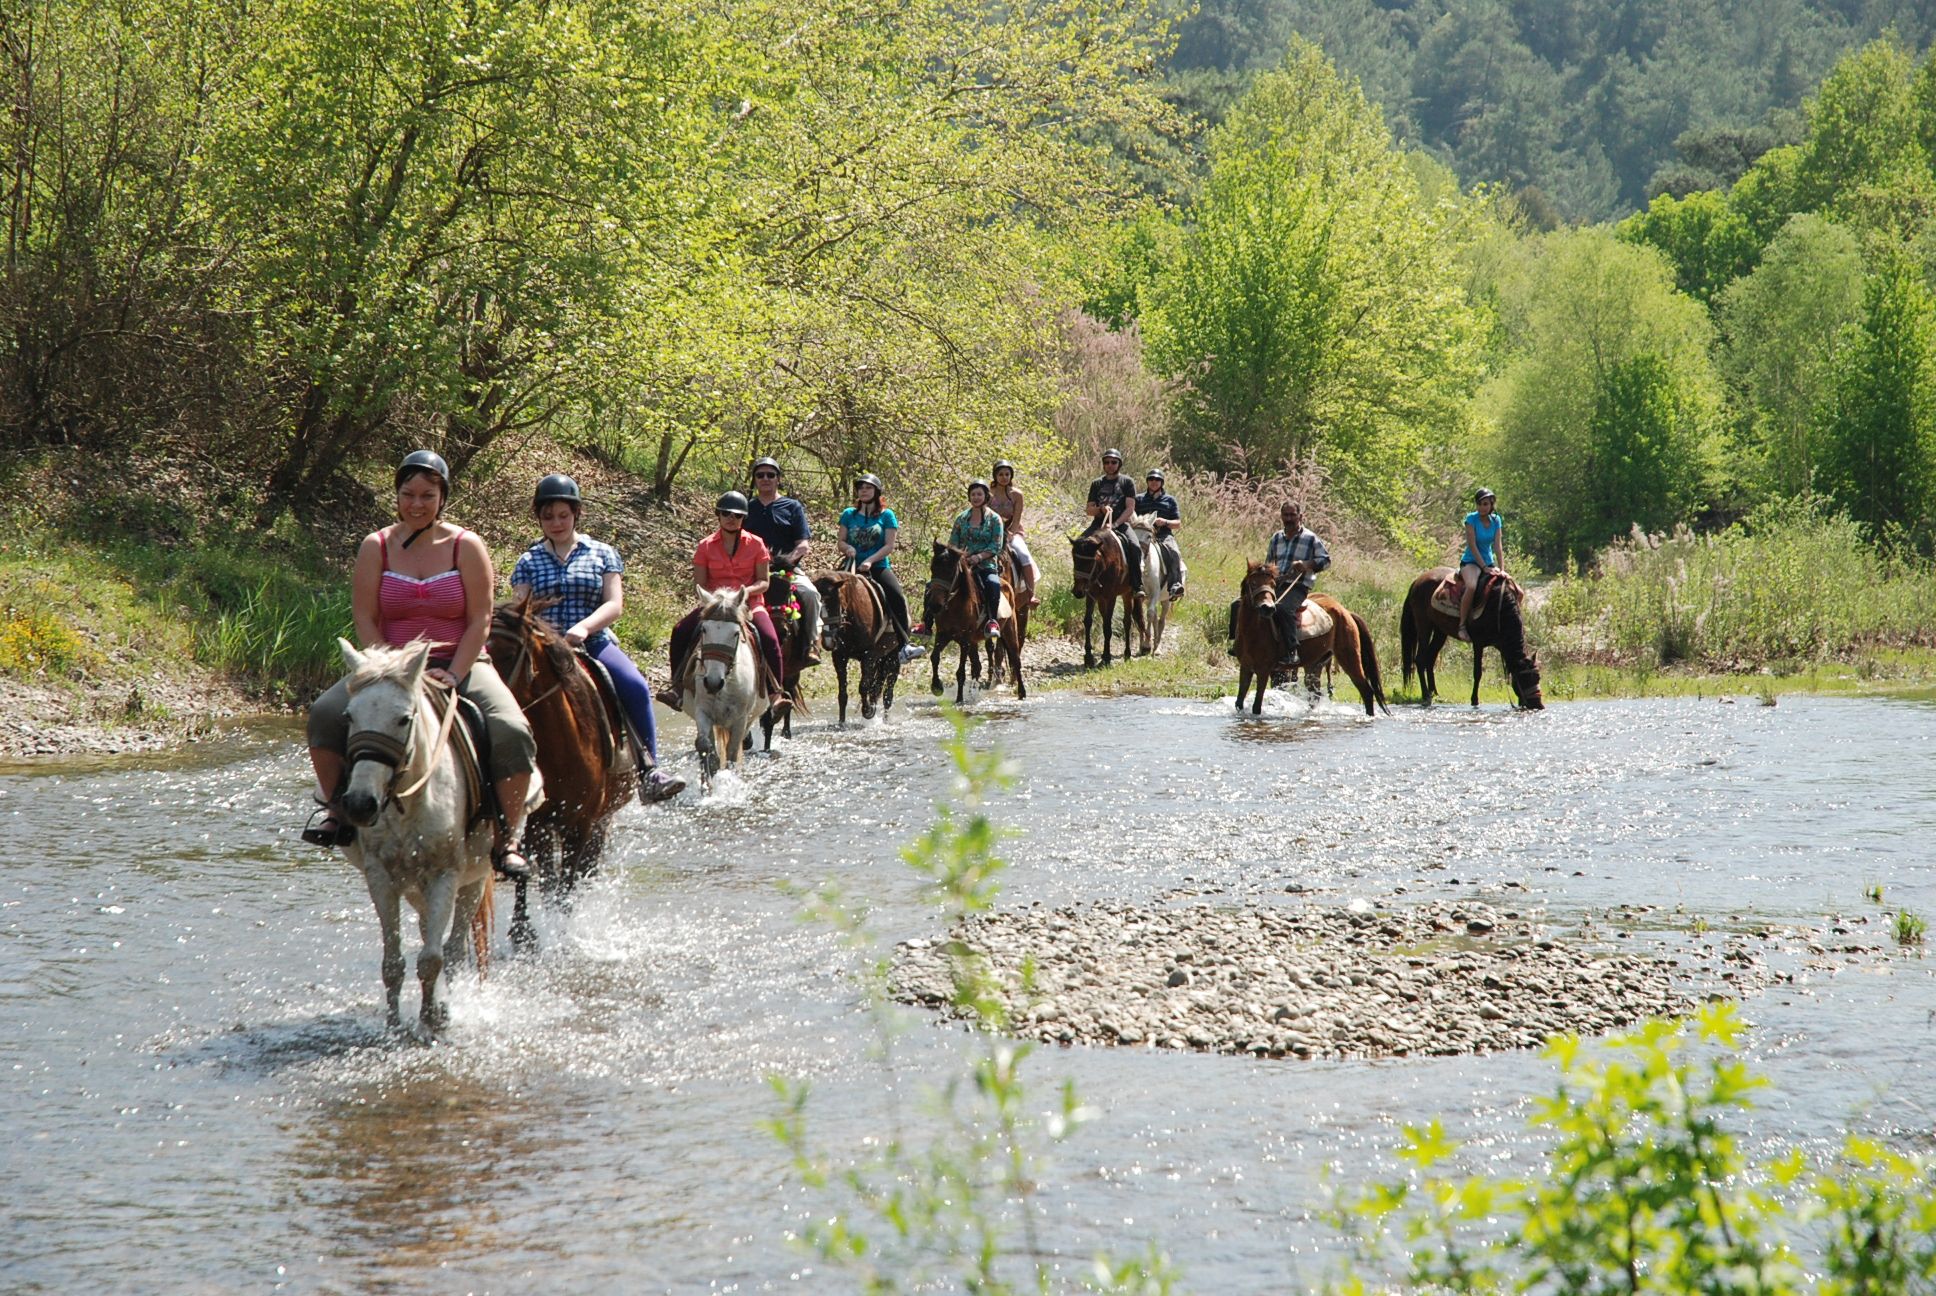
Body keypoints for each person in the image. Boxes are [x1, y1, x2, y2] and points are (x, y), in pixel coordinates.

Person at [305, 450, 537, 879]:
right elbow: (365, 616)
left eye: (427, 495)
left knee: (511, 728)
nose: (416, 504)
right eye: (408, 494)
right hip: (388, 666)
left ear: (442, 497)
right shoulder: (376, 546)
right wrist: (391, 669)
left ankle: (508, 837)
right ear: (396, 495)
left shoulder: (466, 546)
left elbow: (480, 619)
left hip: (459, 660)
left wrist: (454, 672)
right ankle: (338, 811)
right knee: (323, 714)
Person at [509, 473, 685, 803]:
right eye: (548, 517)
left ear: (576, 514)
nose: (556, 523)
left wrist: (584, 629)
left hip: (593, 642)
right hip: (544, 648)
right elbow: (521, 610)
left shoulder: (602, 553)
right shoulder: (528, 561)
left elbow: (614, 604)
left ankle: (650, 769)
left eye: (563, 515)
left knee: (634, 685)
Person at [656, 492, 789, 714]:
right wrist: (719, 600)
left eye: (737, 515)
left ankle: (776, 694)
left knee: (770, 638)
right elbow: (700, 584)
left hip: (748, 604)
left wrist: (742, 594)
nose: (731, 518)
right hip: (714, 605)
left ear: (743, 518)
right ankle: (677, 687)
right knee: (680, 630)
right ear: (718, 515)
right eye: (726, 513)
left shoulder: (757, 544)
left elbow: (764, 582)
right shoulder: (705, 546)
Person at [1229, 499, 1331, 667]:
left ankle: (1292, 651)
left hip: (1297, 585)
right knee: (1238, 604)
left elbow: (1326, 560)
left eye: (1293, 515)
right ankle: (1237, 643)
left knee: (1283, 608)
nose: (1289, 518)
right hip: (1275, 584)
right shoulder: (1277, 538)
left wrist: (1306, 565)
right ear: (1281, 516)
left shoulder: (1310, 538)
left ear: (1300, 516)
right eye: (1286, 515)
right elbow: (1270, 563)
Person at [743, 457, 821, 665]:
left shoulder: (792, 507)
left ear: (778, 479)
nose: (765, 479)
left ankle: (811, 643)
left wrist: (786, 561)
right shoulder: (747, 508)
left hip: (787, 569)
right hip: (753, 570)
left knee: (810, 594)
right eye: (760, 475)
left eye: (771, 475)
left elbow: (803, 544)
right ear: (755, 480)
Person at [837, 473, 913, 643]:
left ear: (877, 491)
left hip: (878, 566)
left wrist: (870, 560)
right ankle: (824, 639)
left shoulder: (887, 516)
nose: (864, 491)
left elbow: (889, 545)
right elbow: (841, 541)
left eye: (868, 488)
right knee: (828, 592)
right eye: (861, 488)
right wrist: (848, 548)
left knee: (897, 596)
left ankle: (904, 644)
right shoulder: (848, 514)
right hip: (850, 566)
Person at [949, 479, 1007, 638]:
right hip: (963, 564)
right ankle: (927, 623)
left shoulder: (995, 519)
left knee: (993, 584)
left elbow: (996, 545)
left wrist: (978, 557)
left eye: (979, 494)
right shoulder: (961, 518)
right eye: (973, 494)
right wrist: (962, 557)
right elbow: (953, 542)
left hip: (986, 564)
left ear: (985, 496)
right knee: (936, 584)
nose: (976, 497)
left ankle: (992, 621)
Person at [987, 460, 1040, 607]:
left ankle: (1031, 593)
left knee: (1023, 555)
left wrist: (1010, 533)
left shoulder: (1017, 495)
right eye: (1001, 474)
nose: (1004, 477)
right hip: (991, 533)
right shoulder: (988, 494)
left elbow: (1017, 518)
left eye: (1007, 474)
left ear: (1011, 476)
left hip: (1012, 531)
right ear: (995, 476)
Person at [1456, 487, 1505, 641]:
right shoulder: (1471, 519)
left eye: (1485, 504)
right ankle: (1462, 626)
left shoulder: (1496, 520)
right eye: (1479, 504)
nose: (1482, 507)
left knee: (1515, 590)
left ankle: (1509, 624)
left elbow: (1498, 546)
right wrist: (1483, 567)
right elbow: (1472, 545)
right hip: (1471, 561)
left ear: (1491, 505)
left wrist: (1502, 569)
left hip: (1489, 563)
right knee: (1471, 586)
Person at [1083, 447, 1142, 577]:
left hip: (1120, 524)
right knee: (1080, 544)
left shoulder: (1127, 482)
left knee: (1135, 547)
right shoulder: (1096, 483)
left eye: (1113, 462)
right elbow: (1089, 510)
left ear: (1119, 464)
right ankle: (1081, 580)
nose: (1110, 465)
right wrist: (1100, 509)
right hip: (1098, 524)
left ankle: (1137, 585)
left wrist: (1114, 525)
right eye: (1107, 462)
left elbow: (1130, 508)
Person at [1134, 468, 1185, 600]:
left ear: (1161, 482)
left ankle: (1175, 585)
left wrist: (1165, 521)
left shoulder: (1170, 500)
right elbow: (1132, 516)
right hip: (1142, 534)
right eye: (1151, 479)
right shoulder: (1139, 499)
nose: (1154, 482)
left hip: (1163, 535)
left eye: (1157, 479)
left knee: (1173, 551)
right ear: (1147, 482)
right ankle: (1131, 584)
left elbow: (1178, 523)